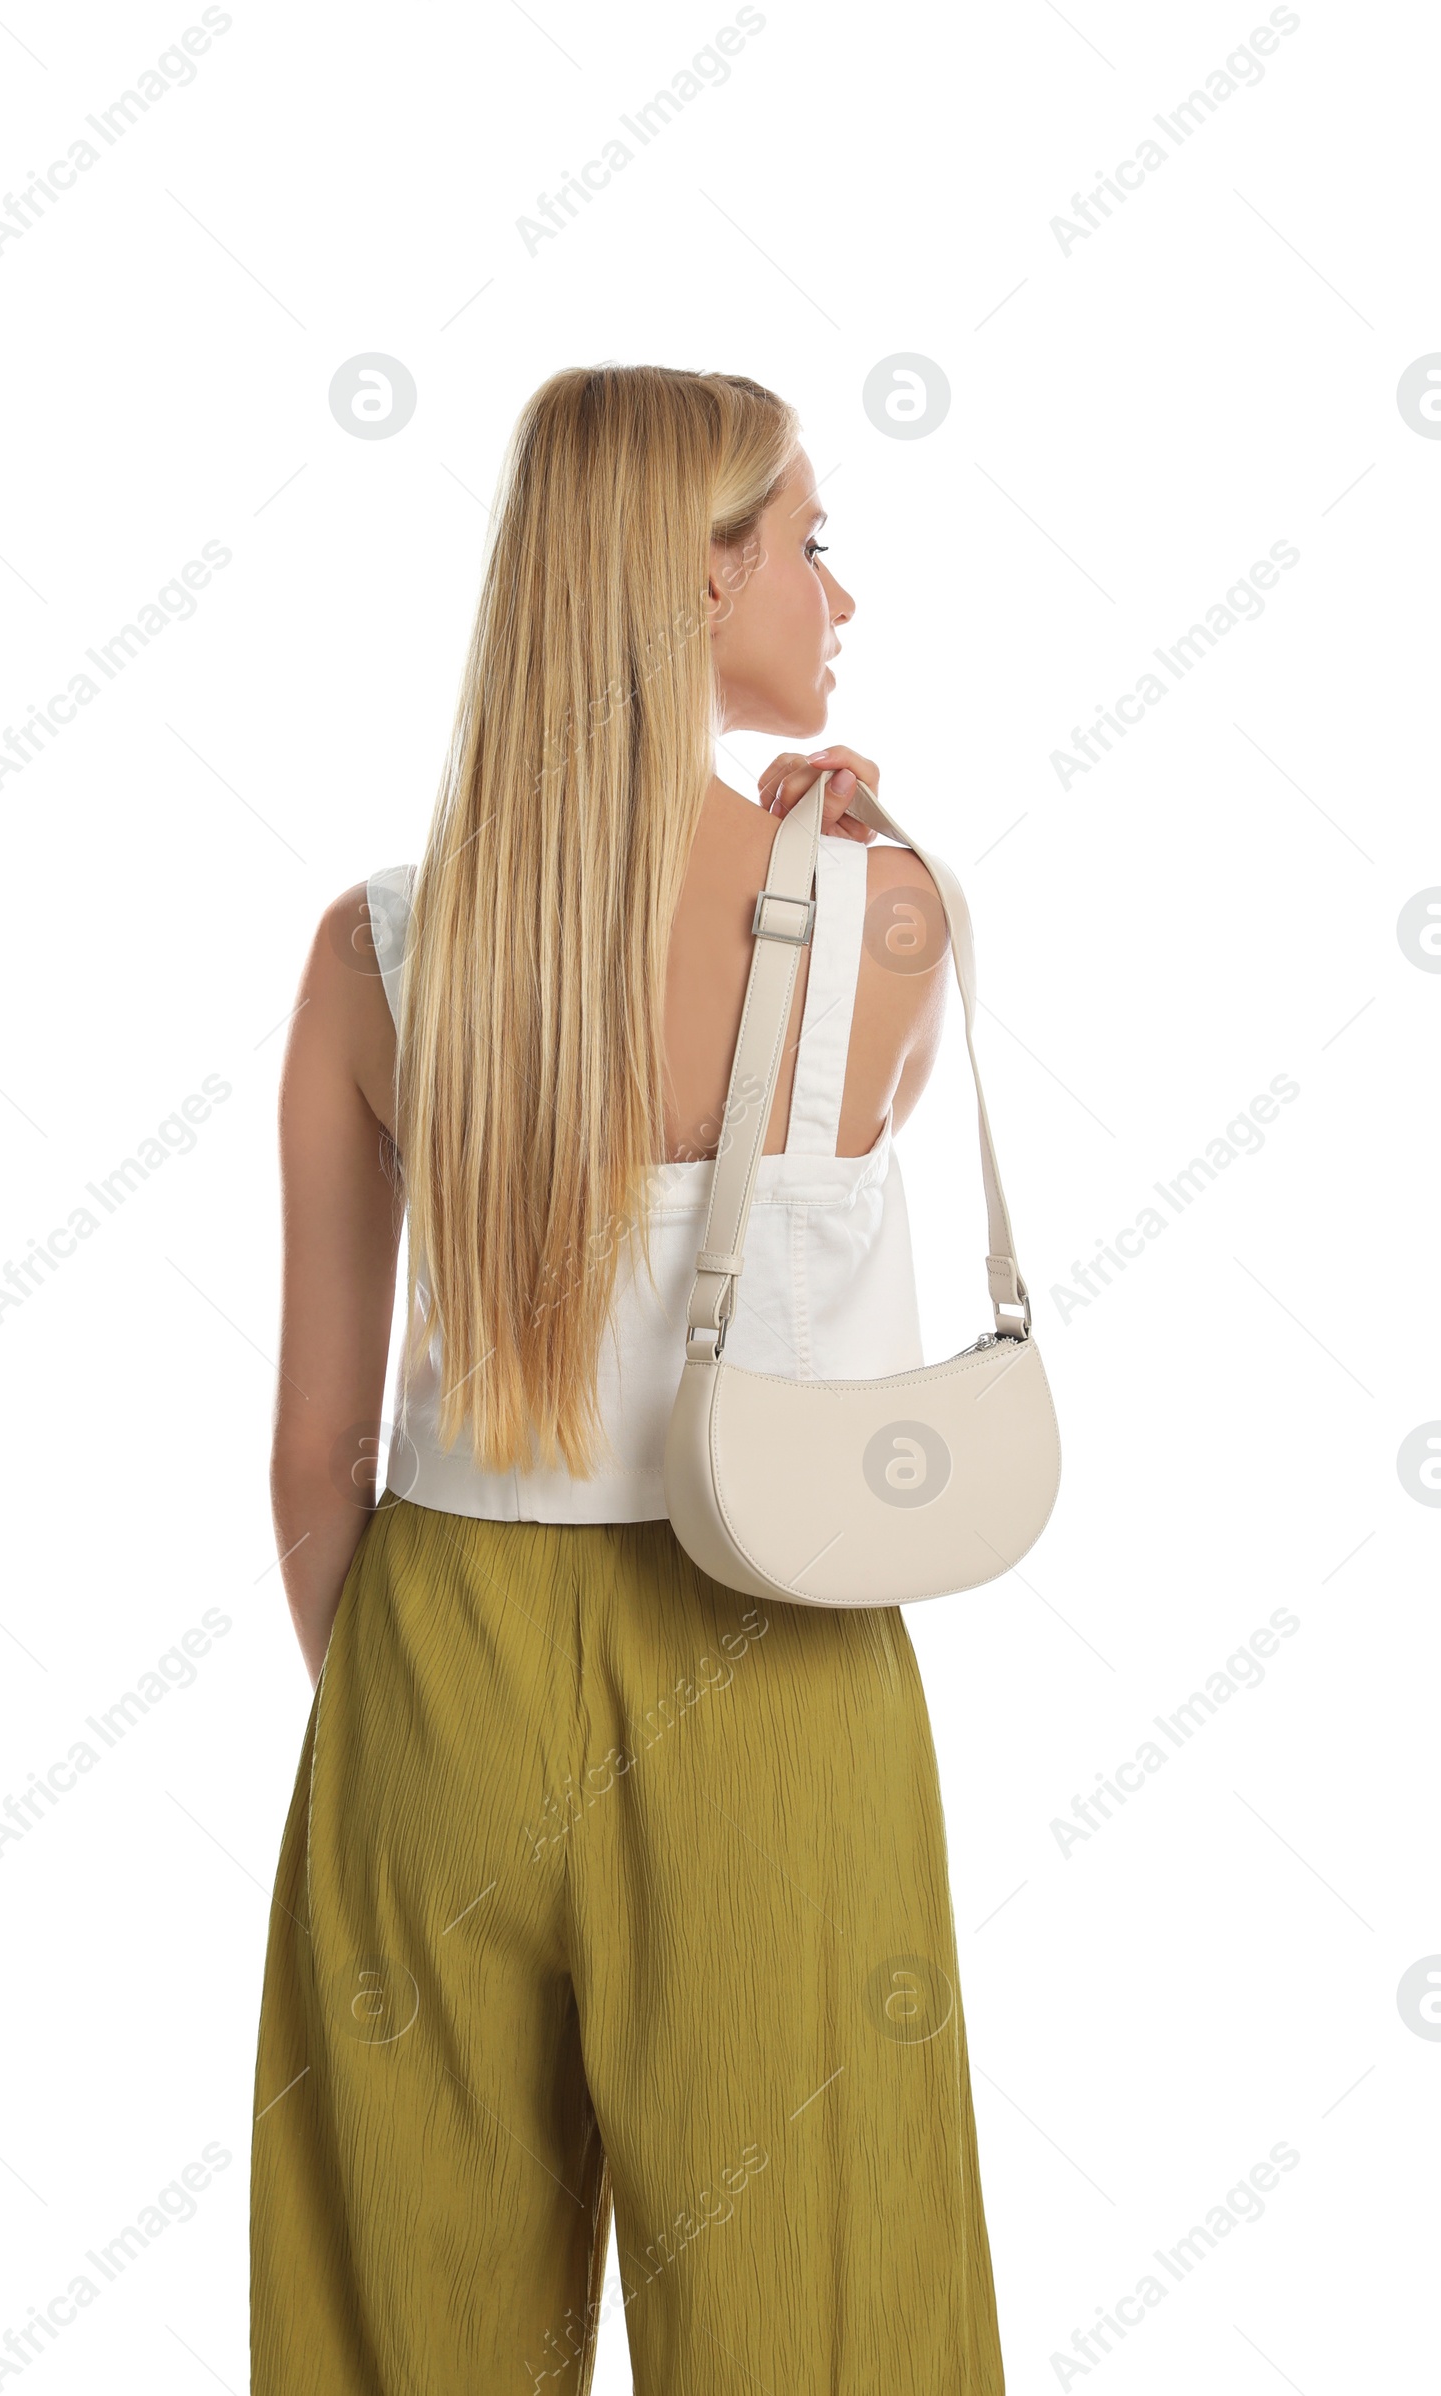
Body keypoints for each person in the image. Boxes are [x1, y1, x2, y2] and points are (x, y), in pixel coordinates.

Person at [250, 364, 1006, 2393]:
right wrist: (849, 851)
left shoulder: (372, 952)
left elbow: (317, 1449)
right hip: (767, 1649)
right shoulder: (888, 920)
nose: (836, 592)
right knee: (818, 2320)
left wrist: (420, 1702)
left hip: (433, 1668)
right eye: (807, 540)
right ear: (698, 571)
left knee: (399, 2313)